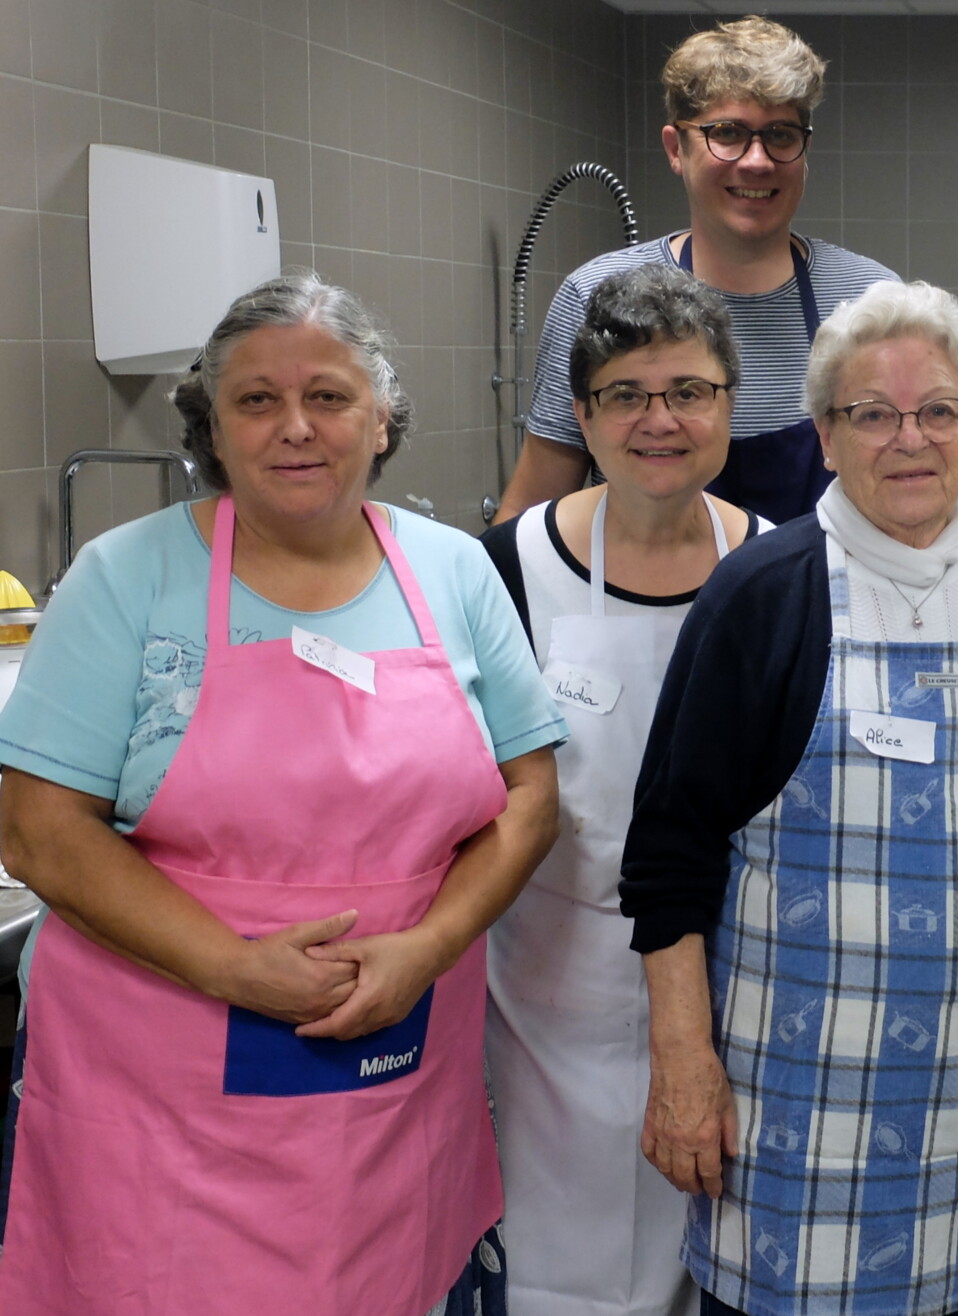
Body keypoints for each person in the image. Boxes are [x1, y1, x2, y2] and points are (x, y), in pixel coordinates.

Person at [0, 273, 563, 1316]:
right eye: (256, 400)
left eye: (329, 396)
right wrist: (236, 969)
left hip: (396, 1059)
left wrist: (428, 948)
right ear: (212, 428)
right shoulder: (125, 578)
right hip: (156, 1082)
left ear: (381, 417)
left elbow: (529, 795)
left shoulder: (452, 572)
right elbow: (38, 832)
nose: (295, 427)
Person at [621, 280, 958, 1316]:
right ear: (826, 436)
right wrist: (683, 1063)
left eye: (939, 410)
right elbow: (668, 854)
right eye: (873, 414)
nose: (909, 439)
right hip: (786, 1117)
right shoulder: (760, 596)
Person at [482, 264, 767, 1316]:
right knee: (551, 1277)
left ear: (729, 404)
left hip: (733, 995)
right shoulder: (507, 569)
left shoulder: (776, 572)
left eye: (689, 391)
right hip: (547, 1005)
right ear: (583, 416)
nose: (660, 420)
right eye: (626, 396)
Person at [498, 15, 895, 526]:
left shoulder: (870, 300)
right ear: (675, 149)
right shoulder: (592, 295)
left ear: (805, 149)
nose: (757, 161)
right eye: (726, 133)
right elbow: (529, 512)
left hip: (823, 580)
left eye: (780, 135)